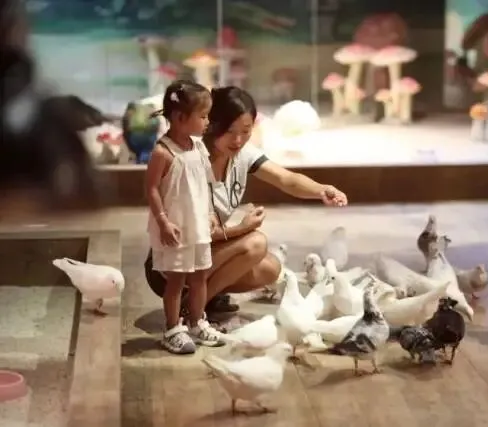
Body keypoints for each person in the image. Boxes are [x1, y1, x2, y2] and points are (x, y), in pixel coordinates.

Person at [145, 86, 348, 321]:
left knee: (270, 268)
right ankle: (192, 308)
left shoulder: (242, 154)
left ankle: (205, 297)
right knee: (255, 243)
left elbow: (286, 179)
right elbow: (199, 230)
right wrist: (243, 228)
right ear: (211, 123)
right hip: (172, 262)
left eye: (246, 130)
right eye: (230, 131)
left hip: (203, 251)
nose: (238, 140)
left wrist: (322, 190)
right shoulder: (193, 158)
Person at [146, 80, 223, 355]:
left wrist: (210, 212)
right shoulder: (163, 152)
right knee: (177, 280)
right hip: (177, 228)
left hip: (197, 226)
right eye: (203, 116)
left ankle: (197, 322)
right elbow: (151, 189)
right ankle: (171, 329)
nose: (207, 122)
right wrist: (163, 221)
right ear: (180, 117)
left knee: (201, 275)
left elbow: (204, 184)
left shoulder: (198, 148)